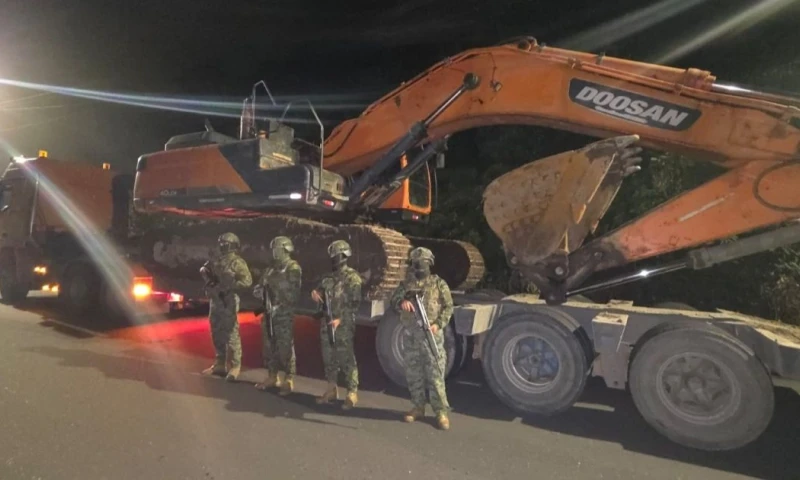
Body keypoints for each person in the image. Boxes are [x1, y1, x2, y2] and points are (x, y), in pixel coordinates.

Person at [389, 246, 454, 430]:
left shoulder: (438, 284)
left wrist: (438, 324)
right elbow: (393, 302)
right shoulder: (406, 285)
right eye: (415, 263)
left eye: (422, 263)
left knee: (435, 376)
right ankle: (418, 407)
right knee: (414, 374)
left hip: (431, 336)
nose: (418, 267)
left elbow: (448, 307)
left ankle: (441, 412)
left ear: (429, 264)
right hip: (411, 337)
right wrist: (402, 302)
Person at [311, 239, 362, 409]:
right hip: (327, 323)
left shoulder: (352, 278)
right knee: (329, 357)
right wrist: (315, 293)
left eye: (336, 255)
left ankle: (352, 393)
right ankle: (331, 389)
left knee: (346, 358)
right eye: (332, 255)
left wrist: (341, 319)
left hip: (343, 324)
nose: (334, 258)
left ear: (344, 256)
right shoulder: (327, 278)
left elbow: (355, 303)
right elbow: (319, 291)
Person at [253, 236, 302, 395]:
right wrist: (259, 291)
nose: (274, 252)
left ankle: (289, 378)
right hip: (269, 314)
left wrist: (277, 303)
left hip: (283, 313)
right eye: (273, 249)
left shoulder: (293, 268)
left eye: (277, 249)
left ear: (285, 250)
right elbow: (260, 285)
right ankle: (272, 376)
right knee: (269, 345)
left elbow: (293, 293)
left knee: (285, 346)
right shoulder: (270, 269)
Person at [201, 232, 253, 381]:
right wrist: (211, 285)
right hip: (216, 300)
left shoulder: (237, 262)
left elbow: (247, 281)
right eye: (221, 242)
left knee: (231, 332)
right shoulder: (216, 260)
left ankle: (235, 366)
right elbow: (205, 271)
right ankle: (219, 363)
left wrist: (230, 285)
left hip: (228, 300)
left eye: (225, 243)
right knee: (216, 330)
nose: (222, 245)